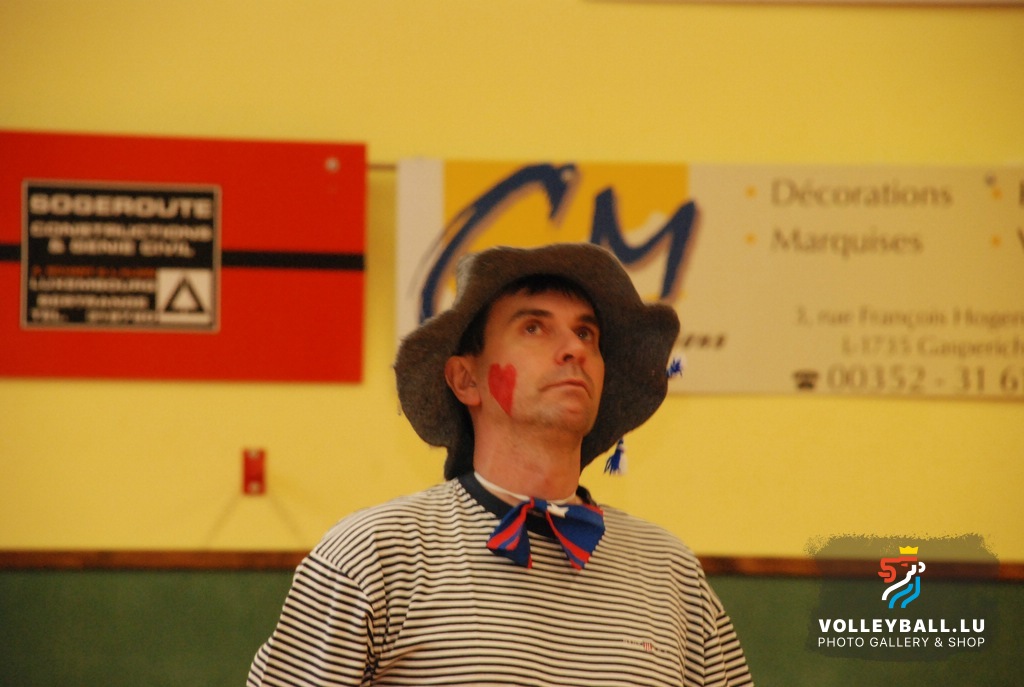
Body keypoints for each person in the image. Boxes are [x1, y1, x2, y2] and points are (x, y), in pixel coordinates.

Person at [247, 242, 753, 686]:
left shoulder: (671, 573)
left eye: (587, 334)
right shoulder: (373, 556)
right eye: (534, 327)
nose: (574, 349)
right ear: (466, 380)